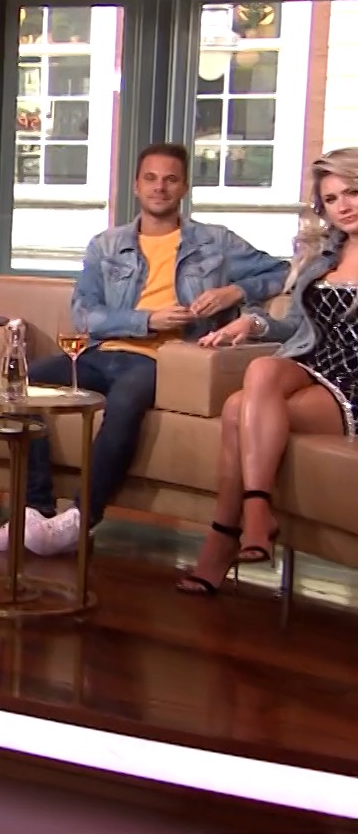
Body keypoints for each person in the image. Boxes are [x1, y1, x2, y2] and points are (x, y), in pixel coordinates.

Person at [0, 143, 290, 557]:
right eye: (151, 178)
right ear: (137, 186)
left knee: (125, 404)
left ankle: (80, 519)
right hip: (101, 352)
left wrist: (233, 290)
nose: (160, 188)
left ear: (184, 188)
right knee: (20, 384)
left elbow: (282, 271)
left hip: (162, 361)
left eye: (171, 179)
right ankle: (34, 512)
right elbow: (84, 314)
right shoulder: (106, 244)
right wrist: (147, 320)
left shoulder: (216, 242)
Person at [178, 147, 358, 594]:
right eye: (331, 199)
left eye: (352, 192)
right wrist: (253, 322)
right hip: (312, 362)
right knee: (261, 368)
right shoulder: (323, 259)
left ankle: (226, 537)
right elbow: (297, 328)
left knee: (238, 410)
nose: (343, 206)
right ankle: (257, 512)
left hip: (352, 380)